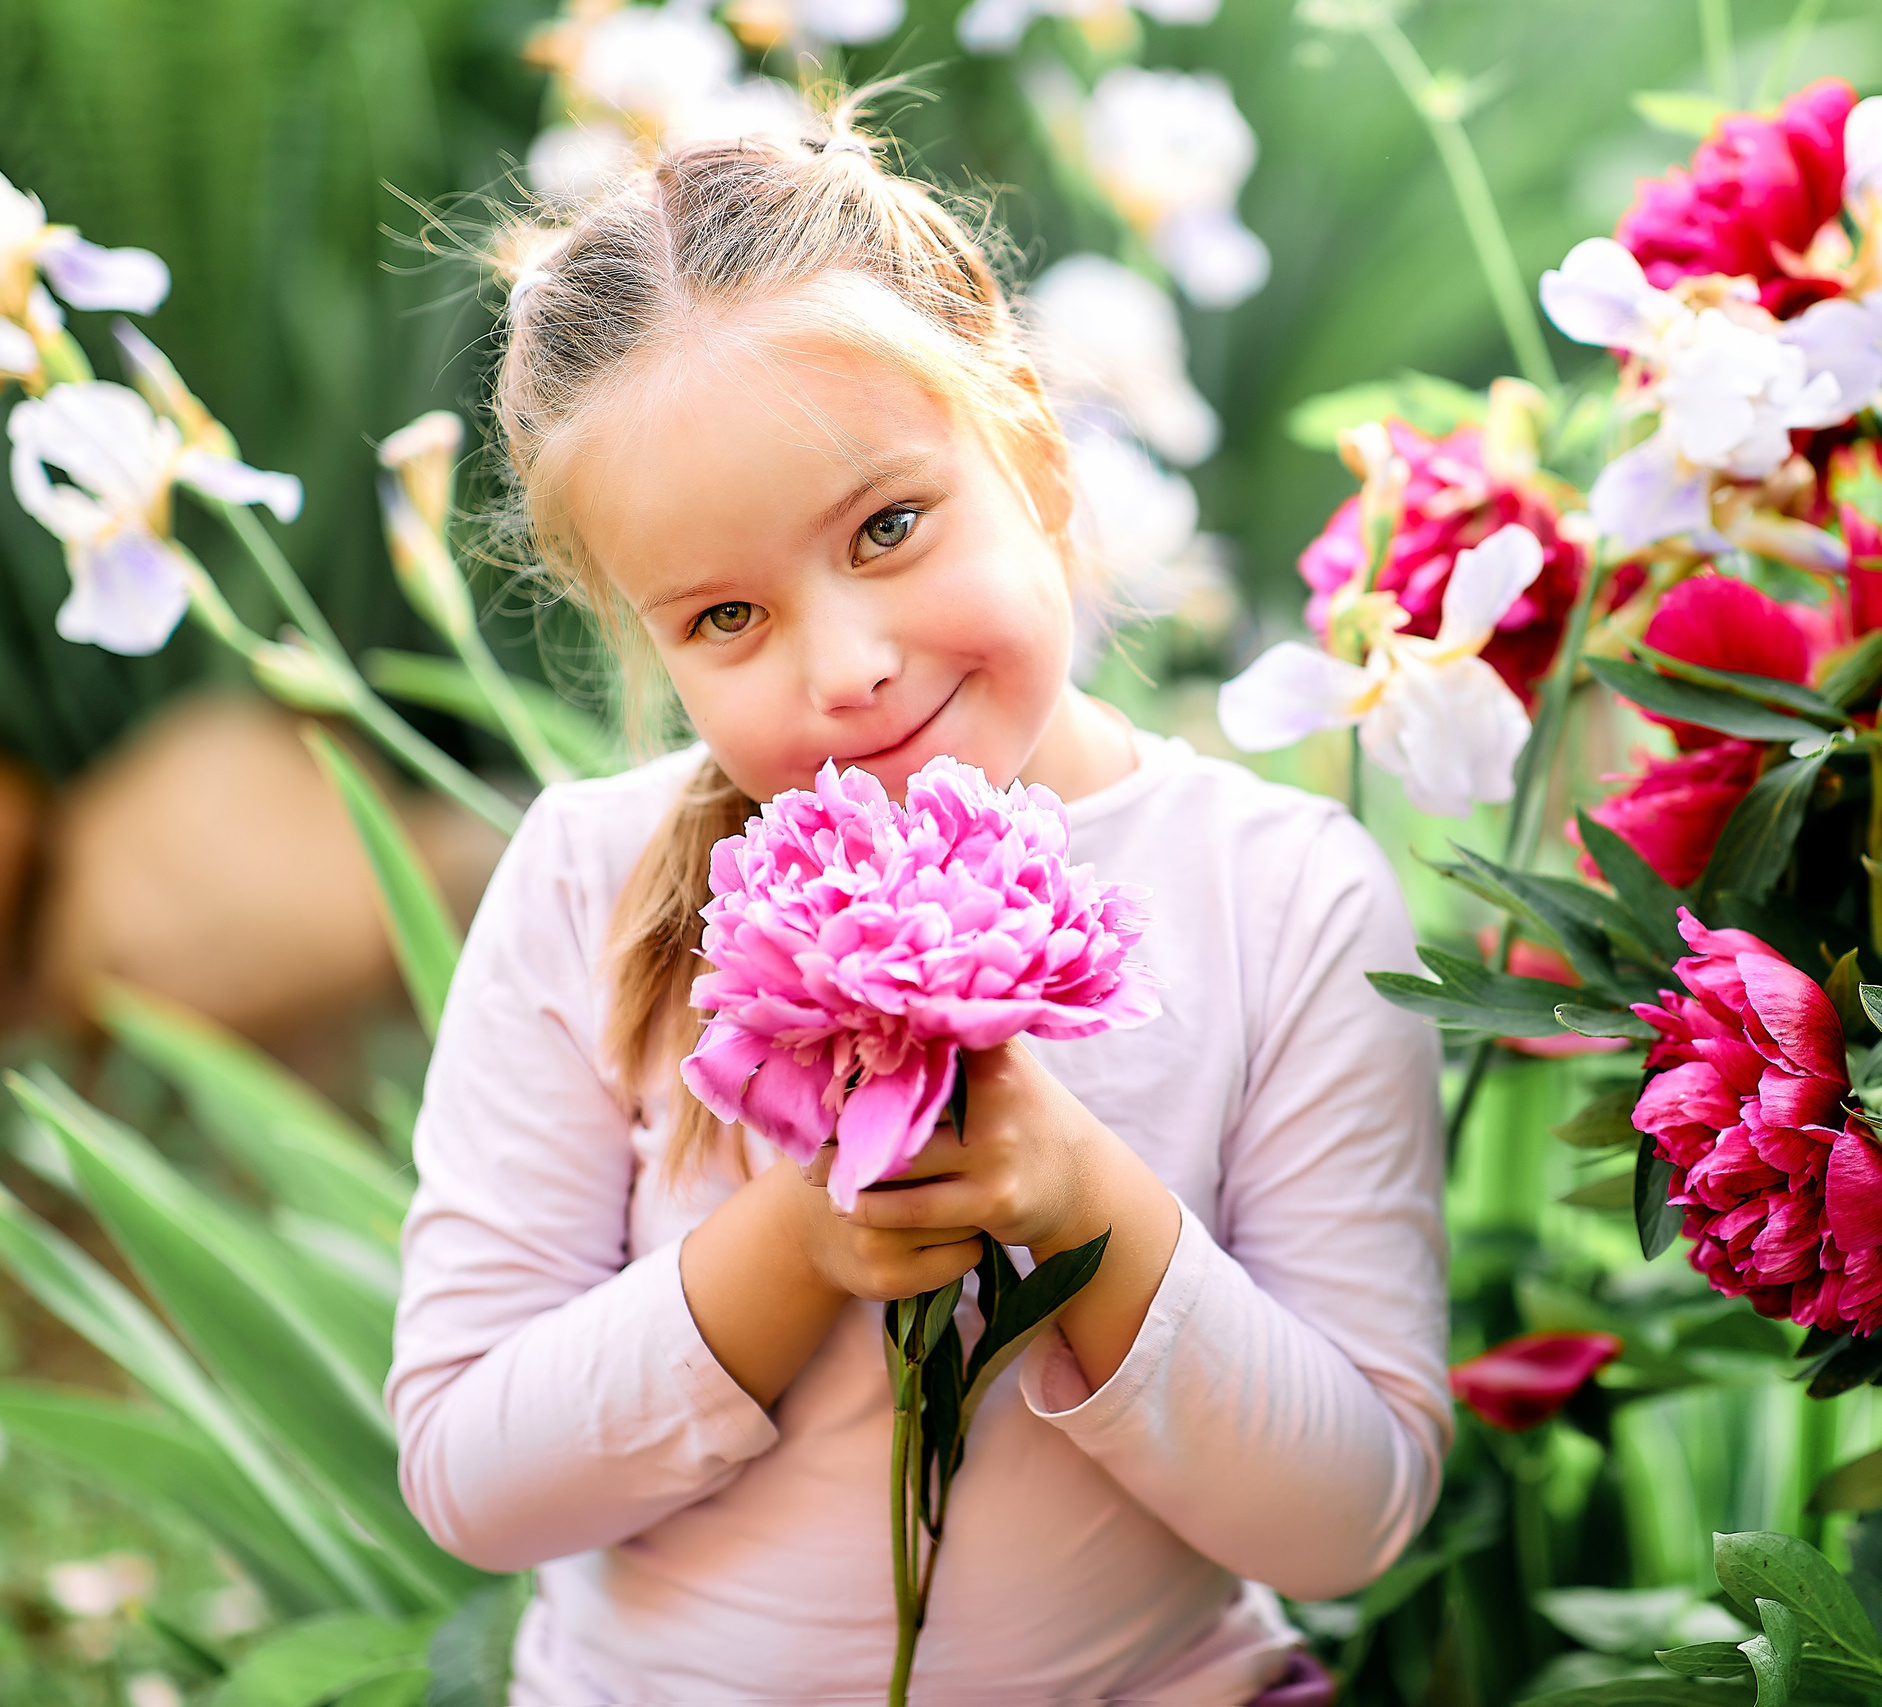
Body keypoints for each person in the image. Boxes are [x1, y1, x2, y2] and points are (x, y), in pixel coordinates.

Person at [386, 99, 1449, 1705]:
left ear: (1027, 439)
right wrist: (799, 1242)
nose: (848, 667)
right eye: (726, 615)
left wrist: (1077, 1189)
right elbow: (472, 1474)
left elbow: (1348, 1517)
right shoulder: (590, 885)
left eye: (889, 527)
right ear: (649, 642)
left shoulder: (1279, 895)